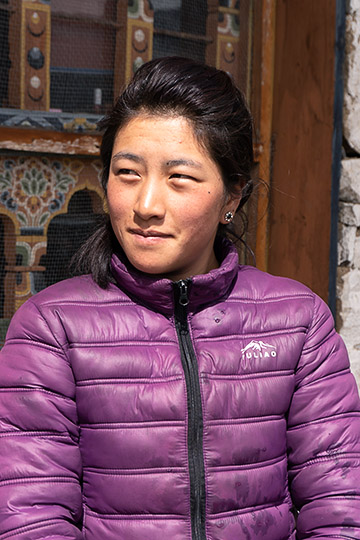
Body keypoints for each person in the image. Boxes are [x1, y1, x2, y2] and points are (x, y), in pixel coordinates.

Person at [0, 57, 359, 540]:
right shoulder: (51, 329)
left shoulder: (297, 322)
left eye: (179, 178)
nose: (146, 205)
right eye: (127, 172)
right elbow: (30, 518)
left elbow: (339, 508)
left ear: (231, 196)